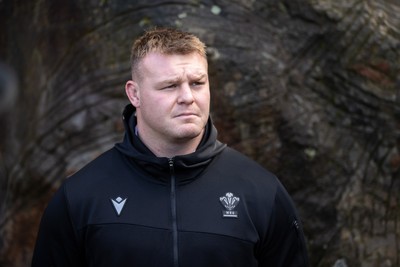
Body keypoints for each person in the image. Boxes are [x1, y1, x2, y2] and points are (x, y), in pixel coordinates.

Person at [32, 27, 309, 267]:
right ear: (134, 94)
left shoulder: (261, 192)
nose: (187, 97)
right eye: (170, 86)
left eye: (197, 83)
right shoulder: (80, 197)